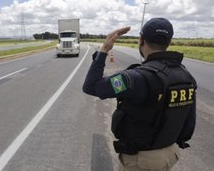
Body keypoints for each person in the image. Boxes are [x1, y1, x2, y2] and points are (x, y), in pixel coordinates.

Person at [83, 18, 197, 171]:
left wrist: (104, 49)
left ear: (141, 40)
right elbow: (189, 124)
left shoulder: (135, 78)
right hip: (170, 154)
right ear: (168, 42)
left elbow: (91, 86)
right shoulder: (185, 76)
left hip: (142, 161)